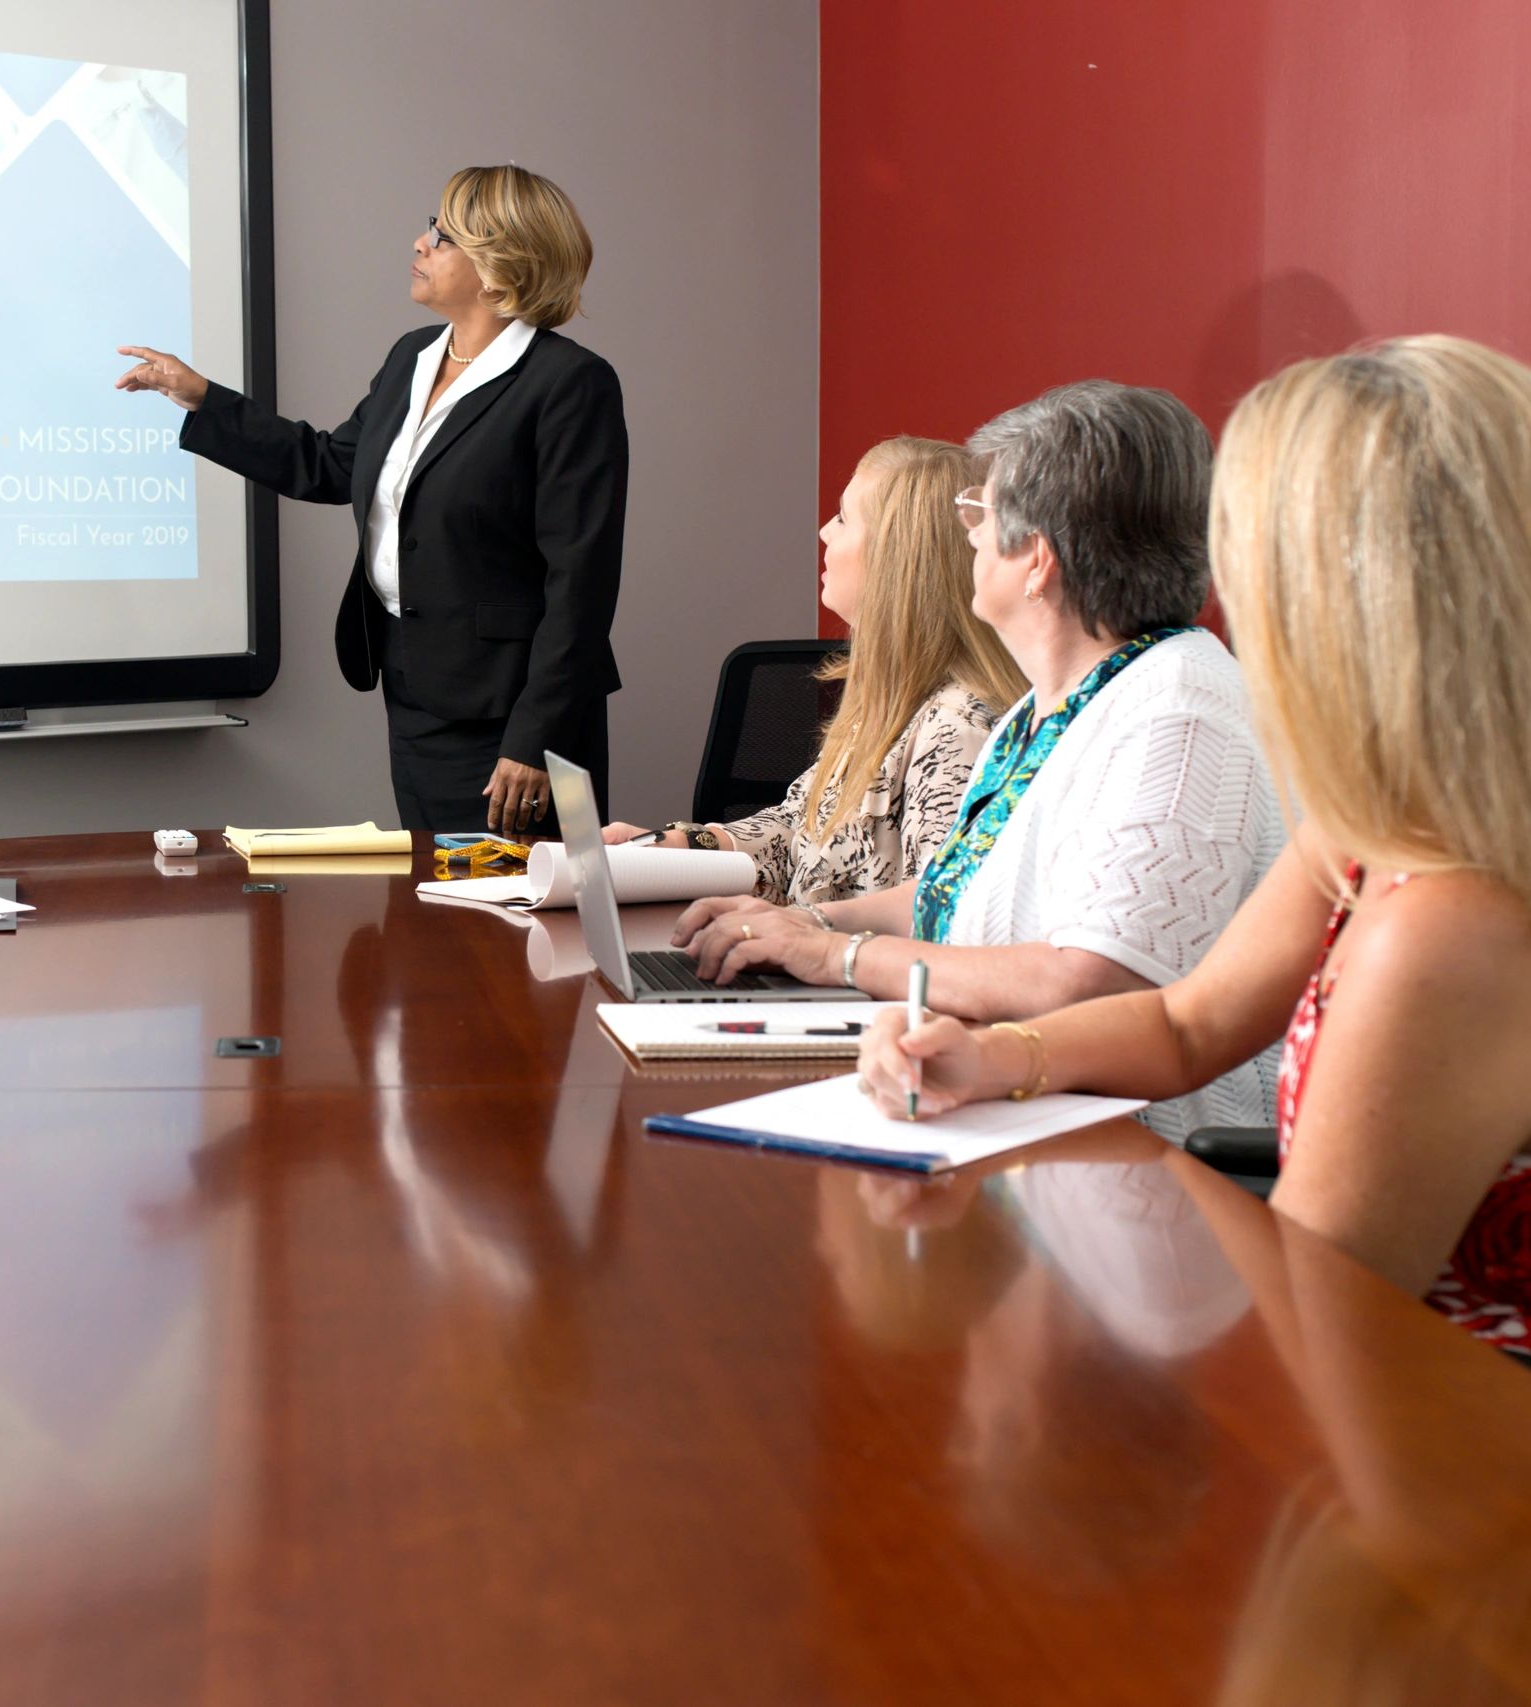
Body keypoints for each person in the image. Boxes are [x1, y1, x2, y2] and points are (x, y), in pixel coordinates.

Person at [858, 336, 1531, 1361]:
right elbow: (1184, 1023)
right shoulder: (1370, 828)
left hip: (1436, 1469)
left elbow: (1314, 1327)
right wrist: (992, 1060)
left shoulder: (1444, 930)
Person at [673, 380, 1284, 1138]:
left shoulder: (1180, 711)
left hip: (1134, 1152)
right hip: (1016, 1112)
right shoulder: (1051, 703)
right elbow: (951, 892)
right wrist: (798, 923)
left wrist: (839, 955)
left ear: (1036, 558)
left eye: (979, 514)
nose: (965, 535)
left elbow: (1088, 983)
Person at [115, 164, 627, 836]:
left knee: (519, 927)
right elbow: (331, 465)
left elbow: (580, 586)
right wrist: (206, 400)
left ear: (501, 264)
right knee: (438, 916)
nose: (419, 244)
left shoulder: (570, 385)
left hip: (516, 718)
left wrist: (535, 739)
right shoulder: (413, 357)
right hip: (415, 693)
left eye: (443, 237)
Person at [602, 435, 1025, 904]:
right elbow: (794, 835)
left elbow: (940, 914)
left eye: (843, 518)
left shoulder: (958, 728)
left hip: (848, 975)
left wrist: (807, 936)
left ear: (895, 556)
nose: (825, 531)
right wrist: (678, 845)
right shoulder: (885, 701)